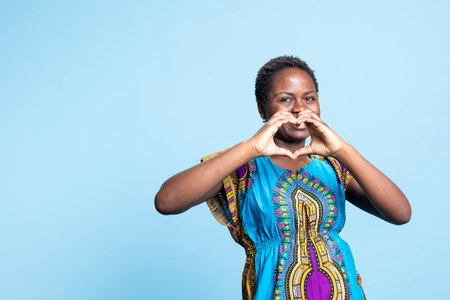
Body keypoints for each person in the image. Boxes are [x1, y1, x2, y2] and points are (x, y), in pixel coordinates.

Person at [155, 56, 411, 300]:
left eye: (309, 98)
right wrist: (251, 148)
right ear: (261, 108)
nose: (299, 108)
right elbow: (166, 202)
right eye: (286, 99)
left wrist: (342, 150)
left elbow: (401, 213)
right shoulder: (240, 167)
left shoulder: (334, 165)